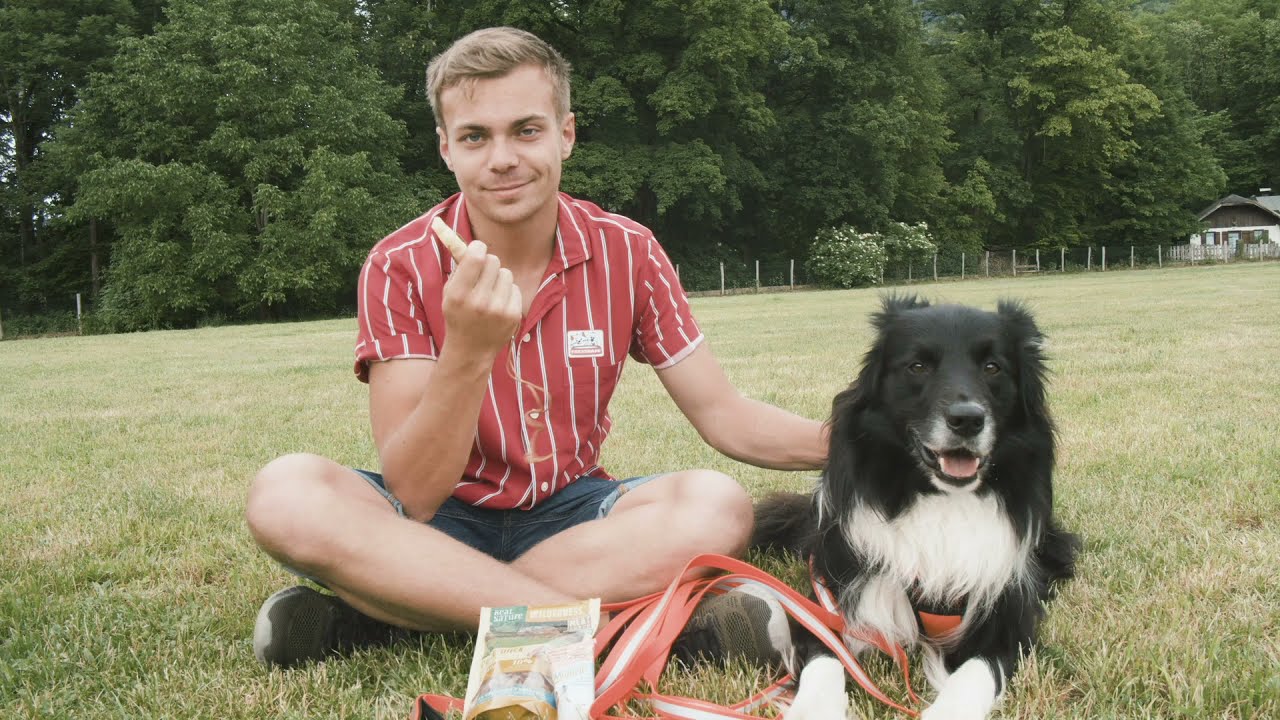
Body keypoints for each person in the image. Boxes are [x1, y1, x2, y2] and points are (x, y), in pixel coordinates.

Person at [244, 26, 826, 669]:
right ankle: (608, 632)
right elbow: (414, 491)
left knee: (717, 505)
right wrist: (468, 349)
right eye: (475, 136)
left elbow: (724, 416)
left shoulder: (627, 250)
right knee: (285, 493)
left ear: (566, 134)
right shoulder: (399, 263)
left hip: (576, 518)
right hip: (436, 522)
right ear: (446, 149)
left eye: (526, 130)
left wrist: (887, 443)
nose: (502, 158)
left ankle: (399, 611)